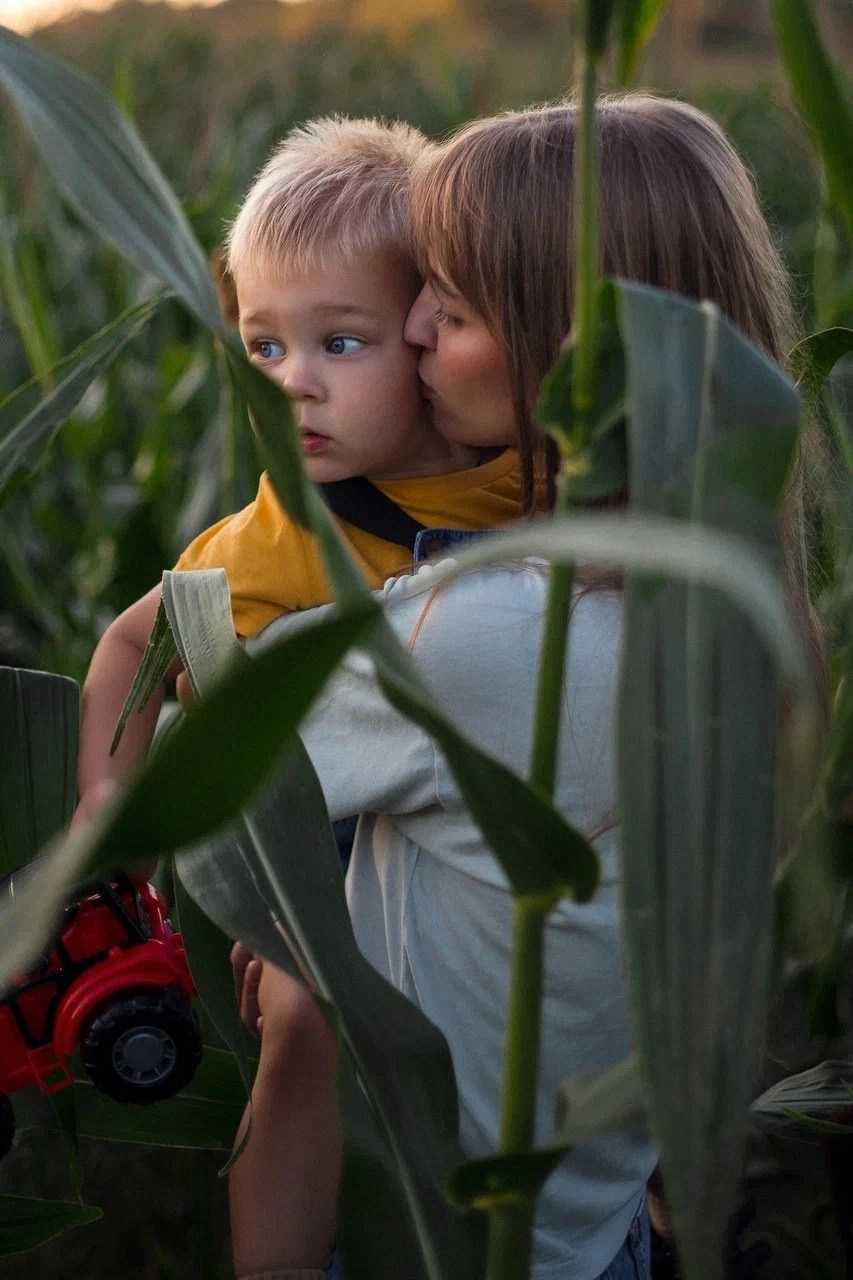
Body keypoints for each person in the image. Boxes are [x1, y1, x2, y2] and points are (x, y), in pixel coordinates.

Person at [228, 93, 816, 1280]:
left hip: (429, 1241)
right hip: (592, 1236)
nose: (415, 327)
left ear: (568, 348)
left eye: (453, 295)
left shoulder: (490, 637)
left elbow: (215, 753)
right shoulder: (747, 623)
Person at [75, 116, 524, 822]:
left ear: (428, 325)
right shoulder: (290, 532)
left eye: (339, 342)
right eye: (265, 348)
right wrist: (107, 801)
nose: (292, 384)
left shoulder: (537, 473)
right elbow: (136, 642)